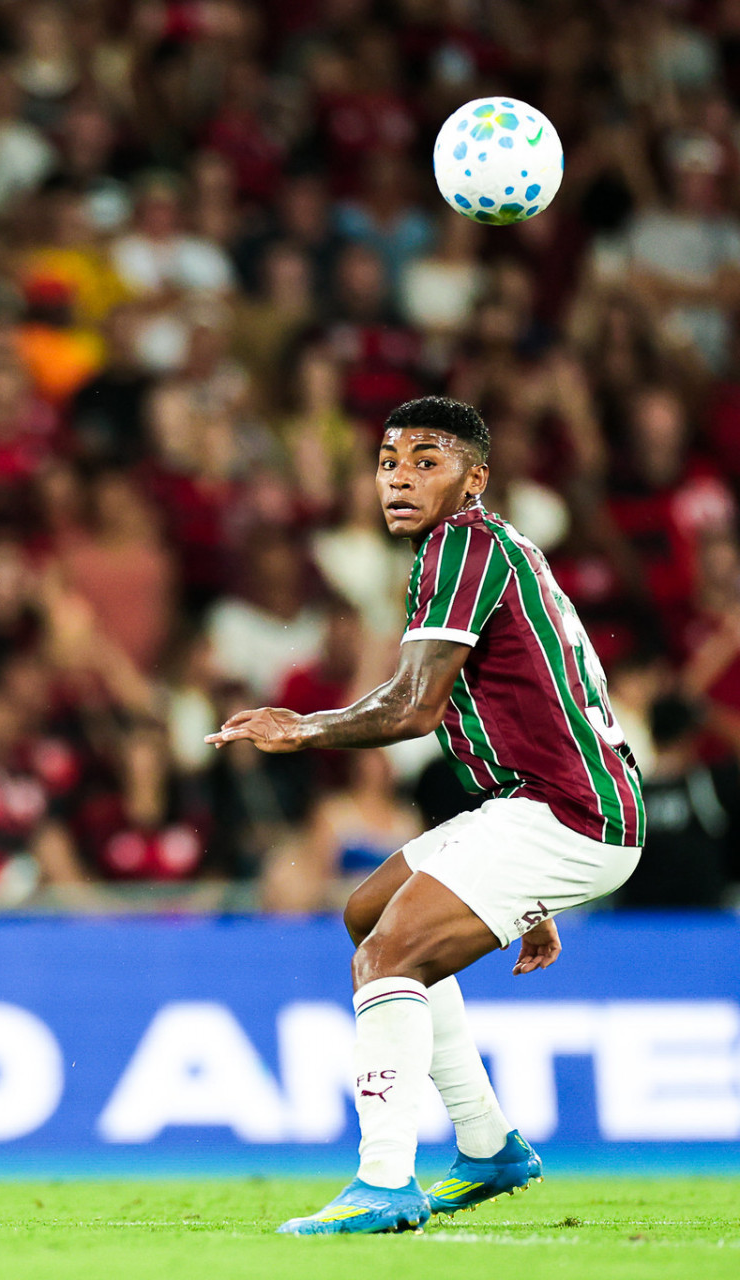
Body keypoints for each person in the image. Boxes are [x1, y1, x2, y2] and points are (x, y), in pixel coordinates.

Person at [208, 396, 643, 1235]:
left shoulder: (462, 548)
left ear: (475, 477)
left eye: (427, 458)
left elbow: (411, 710)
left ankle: (382, 1181)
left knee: (389, 956)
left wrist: (302, 729)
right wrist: (522, 889)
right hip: (542, 805)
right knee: (367, 913)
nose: (400, 475)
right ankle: (486, 1145)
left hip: (565, 812)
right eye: (388, 459)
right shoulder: (486, 547)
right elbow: (414, 691)